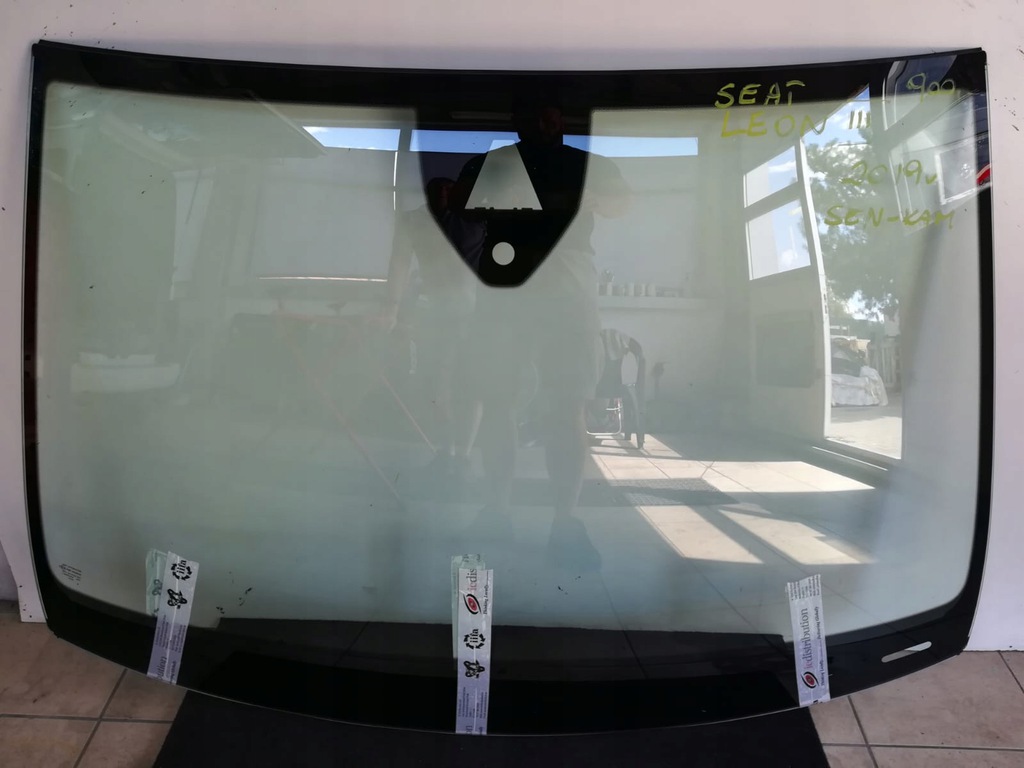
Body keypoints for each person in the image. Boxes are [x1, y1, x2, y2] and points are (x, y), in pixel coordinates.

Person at [451, 102, 630, 568]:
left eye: (549, 114)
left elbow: (622, 203)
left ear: (561, 119)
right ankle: (498, 513)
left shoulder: (587, 165)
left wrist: (592, 198)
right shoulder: (492, 164)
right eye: (532, 115)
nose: (542, 123)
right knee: (499, 402)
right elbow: (460, 207)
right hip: (509, 281)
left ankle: (563, 522)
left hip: (562, 280)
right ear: (517, 121)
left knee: (567, 406)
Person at [379, 177, 485, 481]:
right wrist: (392, 307)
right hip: (439, 314)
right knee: (438, 386)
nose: (442, 195)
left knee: (470, 386)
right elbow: (399, 263)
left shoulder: (478, 218)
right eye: (437, 190)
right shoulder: (414, 221)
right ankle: (447, 452)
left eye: (448, 190)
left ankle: (461, 456)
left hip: (475, 314)